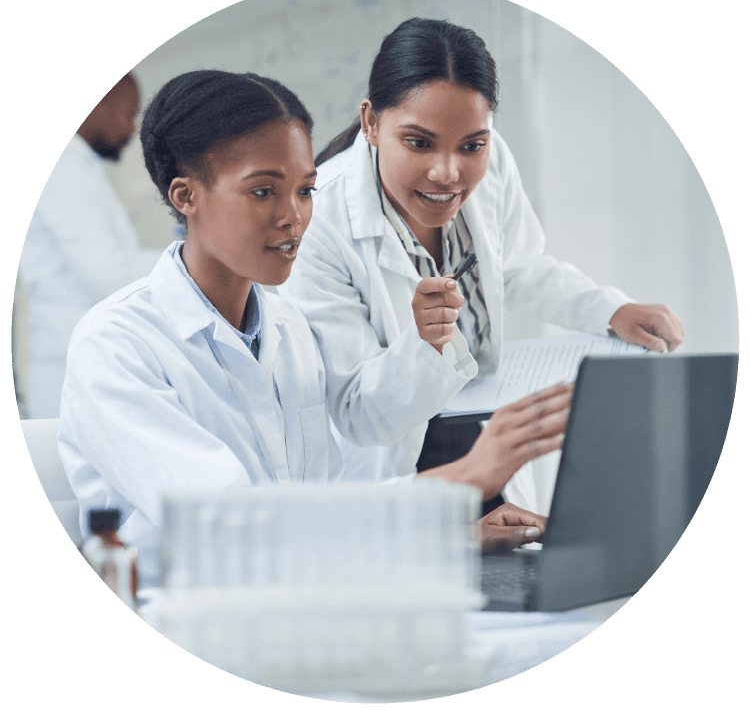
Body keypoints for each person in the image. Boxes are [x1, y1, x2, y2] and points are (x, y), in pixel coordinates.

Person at [58, 70, 571, 588]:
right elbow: (232, 524)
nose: (294, 217)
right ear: (186, 196)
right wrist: (462, 479)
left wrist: (448, 538)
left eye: (306, 191)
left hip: (293, 605)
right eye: (264, 191)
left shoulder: (287, 330)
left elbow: (321, 510)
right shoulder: (117, 344)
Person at [278, 18, 685, 513]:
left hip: (478, 432)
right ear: (371, 122)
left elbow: (519, 267)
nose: (449, 172)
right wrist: (425, 344)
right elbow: (358, 414)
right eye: (419, 143)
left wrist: (609, 310)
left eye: (472, 145)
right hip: (393, 470)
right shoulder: (318, 220)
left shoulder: (493, 162)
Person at [18, 73, 161, 418]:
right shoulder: (61, 168)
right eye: (128, 114)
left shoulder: (79, 167)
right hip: (72, 369)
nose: (132, 129)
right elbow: (108, 275)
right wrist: (194, 261)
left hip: (85, 361)